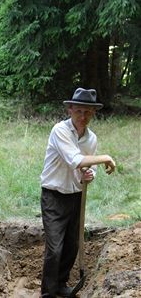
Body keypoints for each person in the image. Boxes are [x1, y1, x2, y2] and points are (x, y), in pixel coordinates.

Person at [40, 88, 116, 298]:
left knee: (72, 244)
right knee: (55, 247)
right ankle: (48, 292)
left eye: (88, 112)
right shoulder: (60, 131)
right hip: (53, 196)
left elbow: (88, 167)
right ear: (70, 109)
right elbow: (75, 160)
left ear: (93, 112)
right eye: (79, 111)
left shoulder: (91, 139)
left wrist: (90, 174)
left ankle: (62, 282)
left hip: (76, 195)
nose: (83, 117)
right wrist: (106, 157)